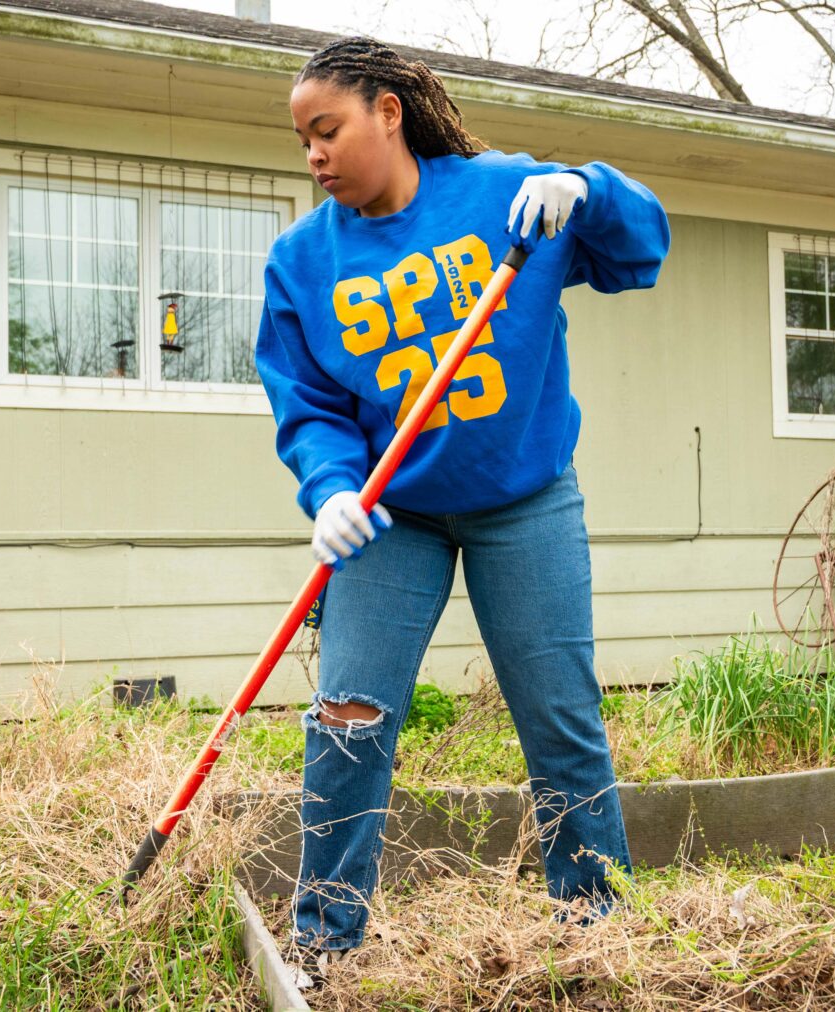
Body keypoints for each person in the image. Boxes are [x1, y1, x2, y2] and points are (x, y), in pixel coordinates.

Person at [251, 36, 671, 985]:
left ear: (388, 112)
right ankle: (326, 934)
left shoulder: (503, 196)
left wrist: (590, 189)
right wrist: (329, 494)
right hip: (390, 519)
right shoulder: (301, 260)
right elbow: (308, 404)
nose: (313, 155)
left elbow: (641, 251)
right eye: (303, 141)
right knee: (348, 715)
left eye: (328, 130)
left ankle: (595, 921)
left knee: (558, 714)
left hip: (523, 502)